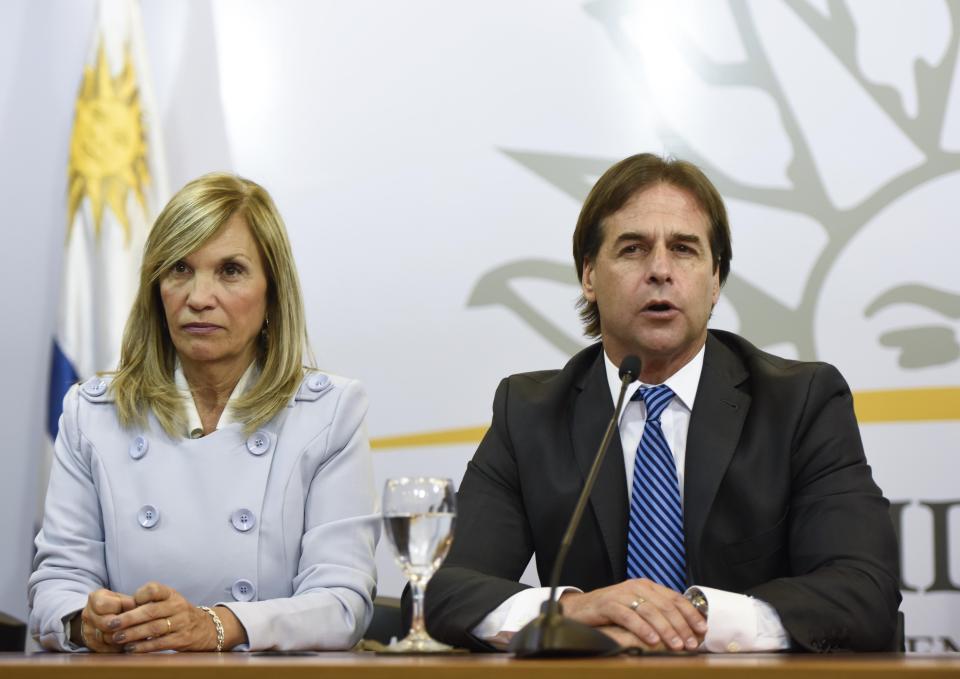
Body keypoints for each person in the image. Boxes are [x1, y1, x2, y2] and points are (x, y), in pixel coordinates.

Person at [418, 153, 900, 653]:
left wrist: (696, 618)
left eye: (685, 249)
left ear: (715, 281)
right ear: (589, 276)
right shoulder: (530, 412)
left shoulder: (800, 403)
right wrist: (566, 609)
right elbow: (447, 591)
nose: (661, 271)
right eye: (633, 249)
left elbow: (864, 591)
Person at [29, 173, 379, 652]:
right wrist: (84, 623)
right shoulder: (92, 414)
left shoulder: (329, 412)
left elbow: (342, 602)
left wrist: (215, 625)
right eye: (179, 269)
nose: (198, 298)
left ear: (272, 292)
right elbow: (55, 587)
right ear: (157, 289)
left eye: (230, 270)